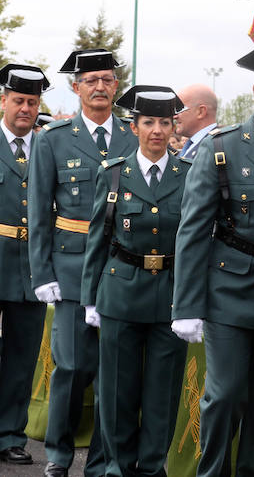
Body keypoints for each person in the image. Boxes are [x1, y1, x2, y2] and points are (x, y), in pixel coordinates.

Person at [172, 46, 254, 476]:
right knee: (225, 393)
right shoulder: (222, 148)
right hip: (229, 288)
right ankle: (212, 472)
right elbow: (193, 231)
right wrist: (187, 306)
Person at [29, 48, 137, 477]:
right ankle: (57, 453)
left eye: (107, 79)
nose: (99, 86)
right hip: (72, 267)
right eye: (90, 80)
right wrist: (42, 273)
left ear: (116, 86)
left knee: (113, 372)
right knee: (72, 368)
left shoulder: (134, 136)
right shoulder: (53, 139)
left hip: (120, 267)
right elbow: (38, 211)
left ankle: (103, 459)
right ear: (76, 88)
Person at [81, 86, 192, 476]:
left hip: (170, 299)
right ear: (134, 127)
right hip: (120, 293)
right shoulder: (113, 173)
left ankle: (152, 468)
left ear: (173, 126)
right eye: (149, 122)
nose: (158, 130)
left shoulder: (189, 175)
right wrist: (89, 299)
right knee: (115, 394)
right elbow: (98, 238)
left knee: (162, 394)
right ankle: (117, 468)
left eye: (165, 122)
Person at [0, 64, 51, 467]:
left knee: (22, 355)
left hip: (31, 265)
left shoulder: (48, 147)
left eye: (32, 103)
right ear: (3, 101)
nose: (25, 109)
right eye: (18, 100)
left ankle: (10, 434)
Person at [174, 84, 218, 159]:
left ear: (200, 112)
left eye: (179, 109)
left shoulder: (220, 147)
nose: (175, 116)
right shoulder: (191, 146)